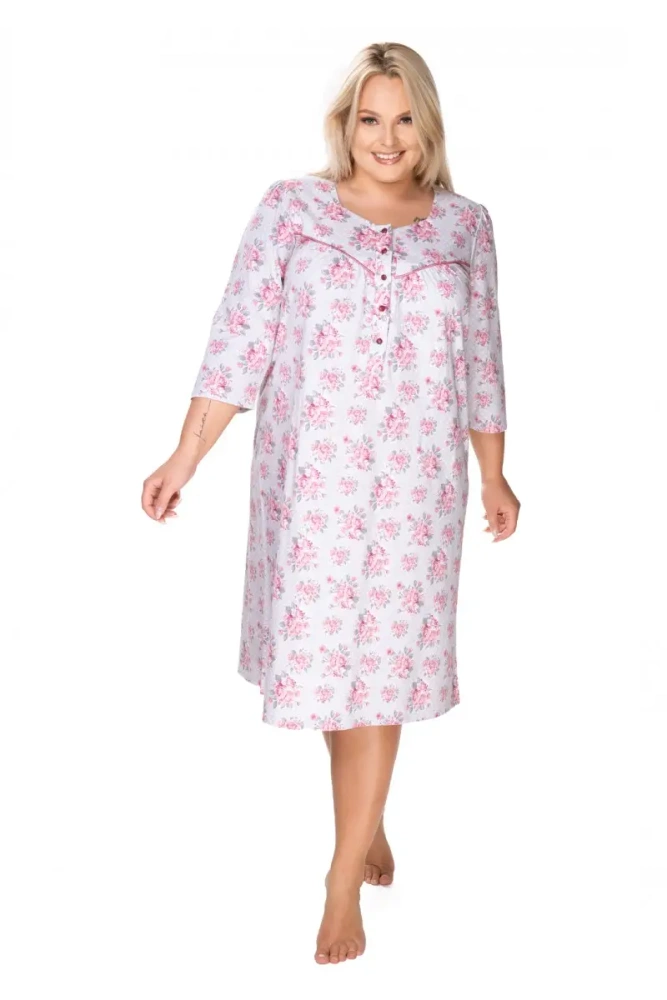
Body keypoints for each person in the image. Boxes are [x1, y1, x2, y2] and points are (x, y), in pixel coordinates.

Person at [142, 41, 520, 965]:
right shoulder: (292, 211)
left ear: (427, 125)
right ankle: (369, 820)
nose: (386, 138)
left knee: (380, 671)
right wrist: (186, 455)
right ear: (343, 125)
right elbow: (239, 340)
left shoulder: (464, 226)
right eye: (368, 118)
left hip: (417, 487)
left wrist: (494, 472)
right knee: (325, 671)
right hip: (310, 482)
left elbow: (482, 357)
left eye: (403, 119)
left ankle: (342, 875)